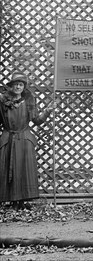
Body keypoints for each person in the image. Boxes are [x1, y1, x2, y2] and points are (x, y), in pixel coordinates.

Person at [0, 72, 55, 209]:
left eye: (21, 84)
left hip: (25, 141)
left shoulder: (29, 101)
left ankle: (22, 202)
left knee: (24, 171)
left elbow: (37, 120)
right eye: (15, 84)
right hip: (8, 139)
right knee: (5, 169)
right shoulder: (2, 102)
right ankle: (10, 201)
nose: (18, 87)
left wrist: (47, 111)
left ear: (24, 87)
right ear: (11, 86)